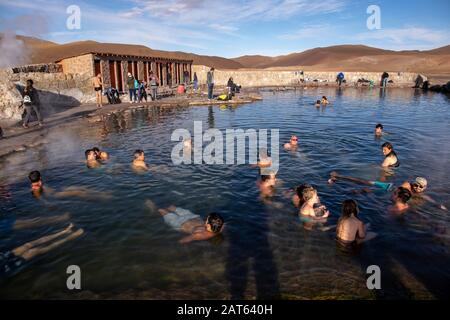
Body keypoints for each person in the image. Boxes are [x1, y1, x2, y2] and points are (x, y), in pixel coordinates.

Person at [1, 223, 84, 277]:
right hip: (3, 269)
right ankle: (71, 237)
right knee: (34, 250)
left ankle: (64, 232)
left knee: (28, 245)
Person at [151, 202, 224, 244]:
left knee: (161, 210)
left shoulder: (199, 235)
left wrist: (176, 242)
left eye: (207, 220)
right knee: (172, 207)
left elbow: (183, 241)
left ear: (208, 225)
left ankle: (153, 210)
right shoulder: (220, 227)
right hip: (190, 216)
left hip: (178, 223)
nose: (205, 220)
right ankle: (162, 208)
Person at [28, 171, 112, 200]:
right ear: (40, 177)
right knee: (78, 192)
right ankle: (102, 197)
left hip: (57, 191)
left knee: (78, 187)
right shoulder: (36, 188)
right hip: (56, 195)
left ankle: (100, 192)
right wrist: (49, 204)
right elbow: (39, 198)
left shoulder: (38, 184)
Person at [0, 212, 70, 234]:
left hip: (4, 223)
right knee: (32, 222)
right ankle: (59, 219)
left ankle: (58, 218)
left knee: (32, 221)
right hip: (4, 226)